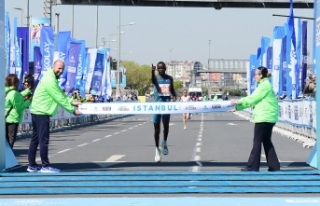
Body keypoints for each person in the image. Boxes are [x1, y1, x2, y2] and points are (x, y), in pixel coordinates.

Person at [27, 60, 82, 173]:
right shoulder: (50, 80)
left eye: (62, 69)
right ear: (53, 67)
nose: (60, 71)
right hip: (42, 112)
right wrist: (72, 110)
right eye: (59, 68)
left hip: (38, 110)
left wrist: (72, 101)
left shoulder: (50, 77)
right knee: (43, 140)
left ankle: (32, 165)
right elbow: (59, 97)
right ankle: (45, 166)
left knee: (35, 139)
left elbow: (60, 94)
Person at [230, 66, 280, 172]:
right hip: (269, 116)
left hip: (263, 116)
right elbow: (254, 100)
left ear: (261, 75)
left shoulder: (264, 86)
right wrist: (238, 108)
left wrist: (238, 102)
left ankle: (252, 167)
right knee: (266, 141)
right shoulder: (265, 85)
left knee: (257, 141)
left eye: (256, 74)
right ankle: (274, 166)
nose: (254, 76)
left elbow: (252, 98)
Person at [151, 61, 177, 162]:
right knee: (156, 129)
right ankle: (157, 149)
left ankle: (164, 143)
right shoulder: (156, 78)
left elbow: (172, 89)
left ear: (165, 68)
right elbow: (152, 80)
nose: (161, 70)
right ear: (157, 69)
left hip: (166, 105)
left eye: (162, 68)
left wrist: (174, 95)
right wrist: (152, 72)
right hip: (156, 106)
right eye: (159, 68)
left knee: (166, 126)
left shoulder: (169, 78)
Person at [5, 74, 32, 149]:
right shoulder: (13, 93)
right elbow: (19, 107)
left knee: (5, 140)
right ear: (15, 82)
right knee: (10, 140)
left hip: (5, 117)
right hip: (12, 119)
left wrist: (27, 91)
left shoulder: (7, 90)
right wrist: (29, 101)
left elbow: (19, 95)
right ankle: (8, 158)